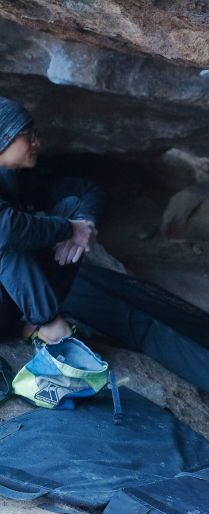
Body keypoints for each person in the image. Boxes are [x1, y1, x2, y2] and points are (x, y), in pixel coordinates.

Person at [0, 96, 102, 344]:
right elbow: (7, 229)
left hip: (9, 305)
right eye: (26, 134)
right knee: (9, 238)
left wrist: (83, 223)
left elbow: (87, 190)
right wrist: (68, 229)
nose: (37, 141)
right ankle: (50, 323)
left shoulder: (22, 176)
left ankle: (32, 324)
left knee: (72, 206)